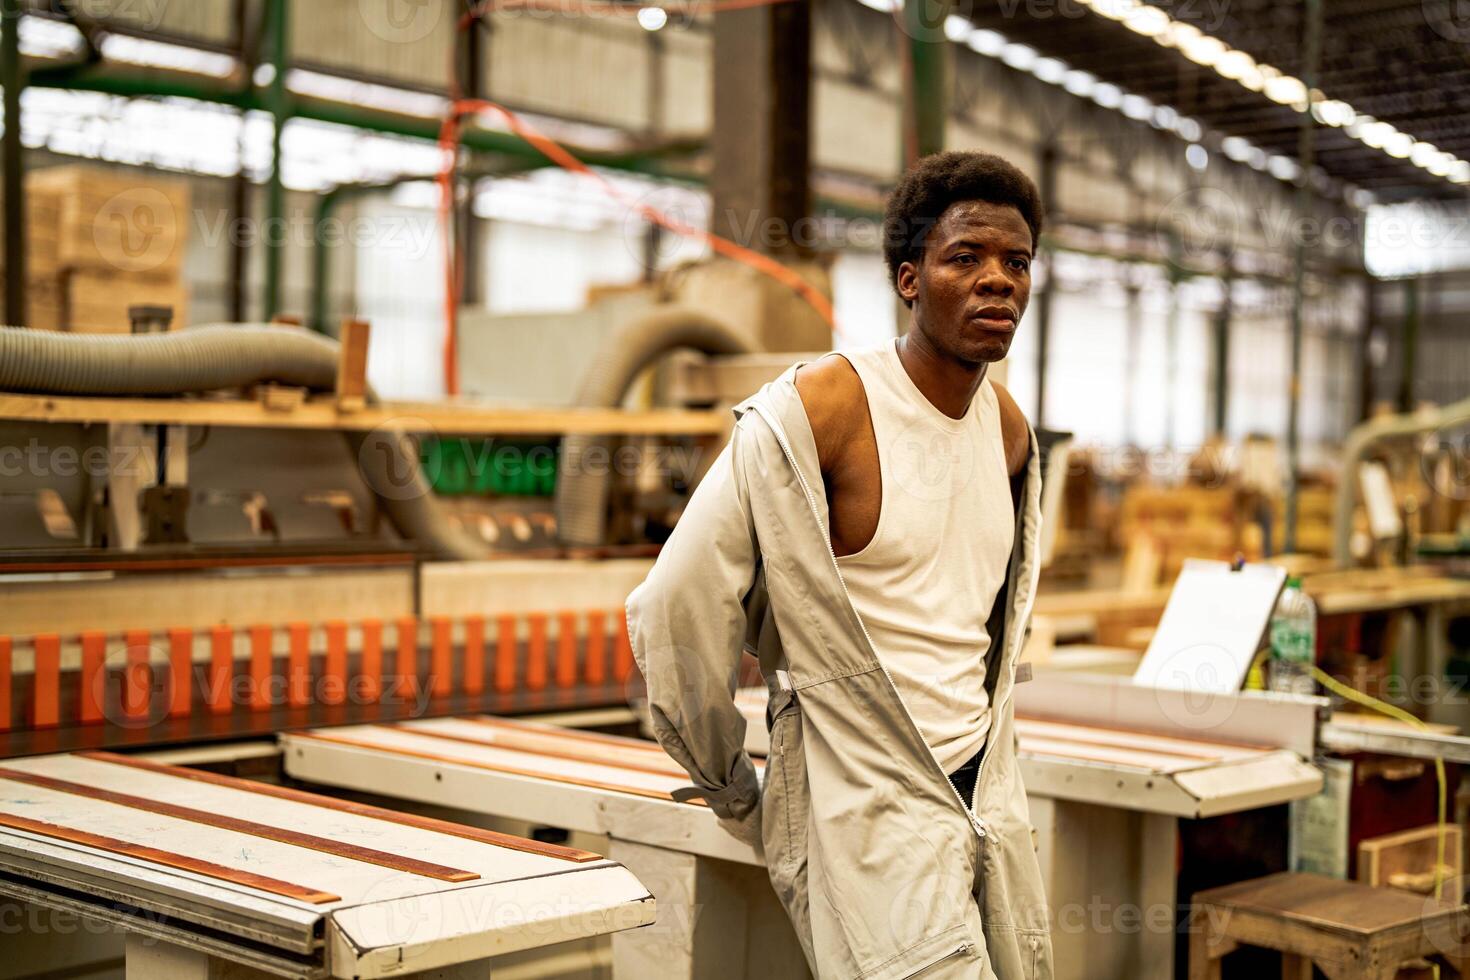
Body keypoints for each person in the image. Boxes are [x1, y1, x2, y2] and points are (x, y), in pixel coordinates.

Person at [627, 150, 1053, 980]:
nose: (998, 280)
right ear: (909, 279)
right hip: (869, 796)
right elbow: (678, 601)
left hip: (987, 790)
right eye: (965, 258)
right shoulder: (825, 407)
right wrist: (733, 788)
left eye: (1017, 262)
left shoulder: (1007, 428)